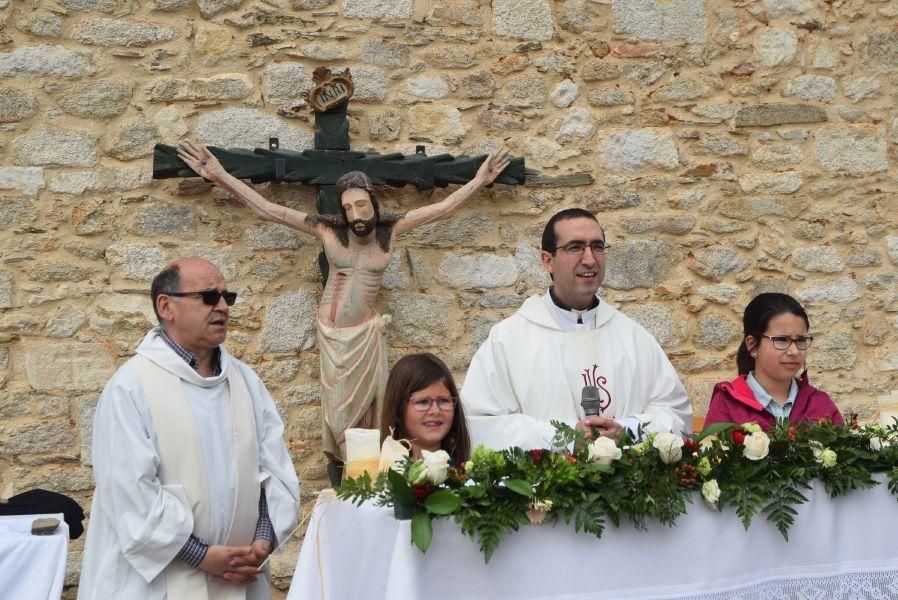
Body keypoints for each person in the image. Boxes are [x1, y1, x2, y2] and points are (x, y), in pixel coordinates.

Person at [175, 141, 508, 472]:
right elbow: (268, 209)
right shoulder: (327, 229)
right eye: (348, 208)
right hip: (334, 339)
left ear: (373, 203)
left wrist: (480, 180)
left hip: (365, 336)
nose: (355, 214)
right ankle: (356, 482)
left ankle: (363, 482)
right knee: (340, 418)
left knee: (370, 421)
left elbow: (442, 208)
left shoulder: (389, 232)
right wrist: (218, 174)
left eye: (361, 205)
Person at [78, 258, 300, 600]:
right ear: (166, 306)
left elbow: (275, 470)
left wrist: (262, 541)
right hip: (158, 583)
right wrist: (202, 556)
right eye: (209, 297)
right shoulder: (131, 387)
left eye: (228, 296)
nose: (224, 306)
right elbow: (129, 494)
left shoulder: (246, 382)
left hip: (241, 575)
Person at [461, 208, 691, 450]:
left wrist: (628, 430)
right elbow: (481, 424)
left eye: (597, 246)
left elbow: (676, 413)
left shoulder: (633, 337)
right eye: (575, 247)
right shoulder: (507, 341)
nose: (590, 259)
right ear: (547, 261)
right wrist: (565, 438)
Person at [705, 293, 843, 428]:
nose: (794, 351)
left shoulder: (820, 404)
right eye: (782, 340)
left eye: (801, 340)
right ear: (752, 345)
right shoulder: (728, 404)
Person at [380, 353, 471, 465]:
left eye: (443, 401)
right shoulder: (378, 476)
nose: (435, 410)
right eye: (423, 402)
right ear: (398, 408)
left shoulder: (466, 476)